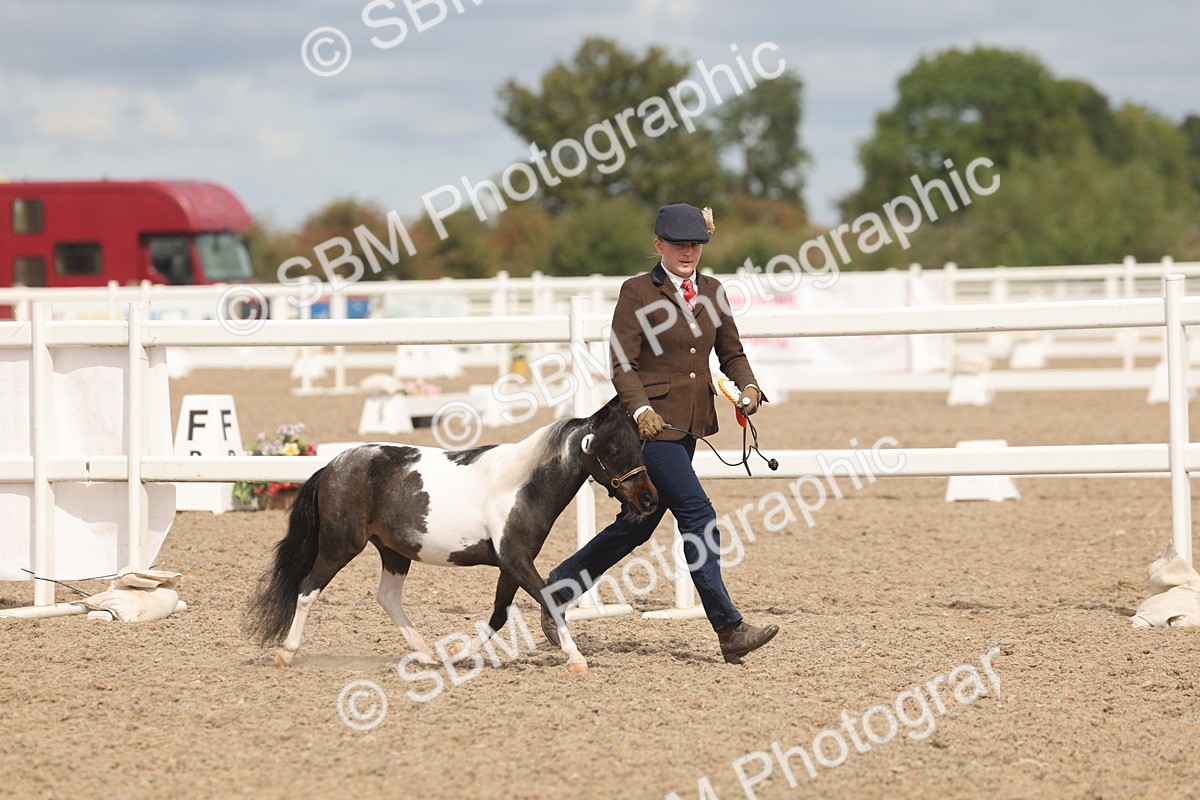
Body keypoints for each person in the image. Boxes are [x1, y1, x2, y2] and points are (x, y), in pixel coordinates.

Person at [543, 203, 780, 663]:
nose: (688, 252)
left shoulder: (712, 291)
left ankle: (558, 588)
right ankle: (728, 627)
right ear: (659, 246)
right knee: (698, 512)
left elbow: (730, 352)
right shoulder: (636, 292)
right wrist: (640, 409)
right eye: (678, 244)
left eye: (695, 244)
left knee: (639, 523)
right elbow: (621, 363)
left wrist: (749, 385)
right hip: (646, 431)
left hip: (690, 423)